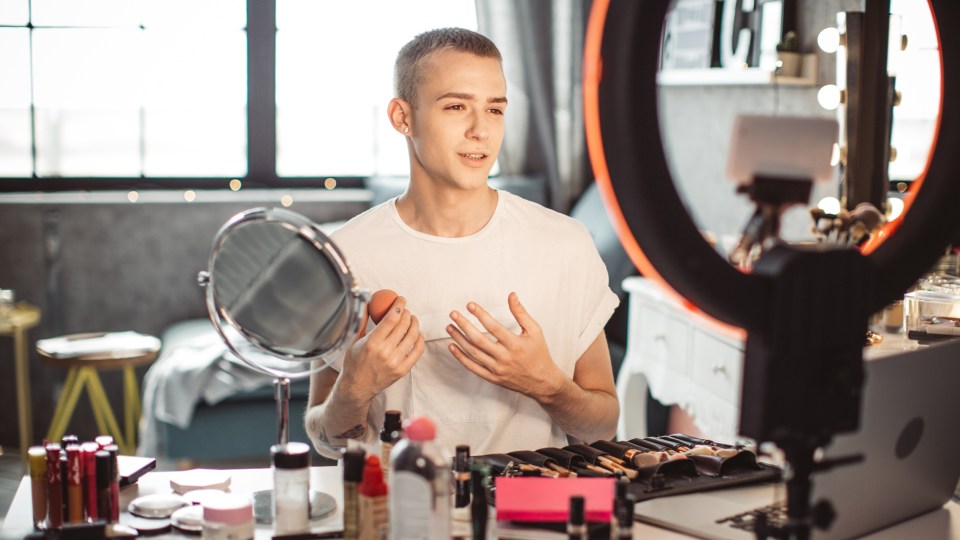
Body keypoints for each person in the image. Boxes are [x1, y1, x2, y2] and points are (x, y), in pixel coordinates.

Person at [305, 27, 620, 459]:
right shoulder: (343, 257)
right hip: (403, 516)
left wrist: (547, 384)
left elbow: (603, 425)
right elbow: (324, 439)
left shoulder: (565, 245)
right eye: (457, 106)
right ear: (403, 117)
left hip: (528, 517)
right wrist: (354, 388)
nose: (481, 131)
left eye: (495, 110)